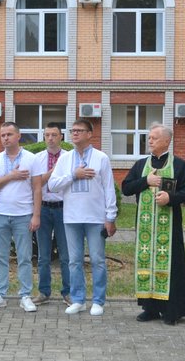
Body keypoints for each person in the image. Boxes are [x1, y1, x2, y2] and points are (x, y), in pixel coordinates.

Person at [121, 123, 185, 325]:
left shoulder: (179, 165)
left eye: (154, 137)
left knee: (172, 266)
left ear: (166, 141)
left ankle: (172, 310)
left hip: (169, 228)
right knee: (147, 265)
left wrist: (170, 198)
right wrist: (146, 181)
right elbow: (126, 188)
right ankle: (150, 308)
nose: (150, 140)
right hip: (145, 228)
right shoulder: (141, 165)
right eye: (149, 137)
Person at [48, 118, 117, 316]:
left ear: (89, 134)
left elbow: (109, 188)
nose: (75, 133)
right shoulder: (65, 158)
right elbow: (52, 185)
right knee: (74, 260)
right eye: (73, 130)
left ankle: (98, 300)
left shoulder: (101, 158)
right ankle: (78, 299)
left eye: (79, 130)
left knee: (97, 260)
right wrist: (74, 175)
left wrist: (110, 216)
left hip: (95, 217)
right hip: (71, 217)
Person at [0, 121, 41, 312]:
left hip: (23, 215)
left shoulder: (32, 159)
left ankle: (25, 295)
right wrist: (11, 175)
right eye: (2, 135)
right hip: (0, 214)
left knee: (24, 257)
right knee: (1, 256)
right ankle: (0, 294)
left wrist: (36, 216)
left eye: (9, 134)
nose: (5, 138)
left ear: (18, 136)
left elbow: (37, 188)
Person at [32, 122, 71, 307]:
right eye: (47, 135)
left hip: (64, 208)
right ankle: (44, 292)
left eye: (54, 134)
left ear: (61, 136)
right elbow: (36, 184)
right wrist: (53, 172)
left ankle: (68, 292)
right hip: (44, 208)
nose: (50, 138)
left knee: (66, 254)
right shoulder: (37, 158)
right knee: (43, 255)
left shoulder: (70, 157)